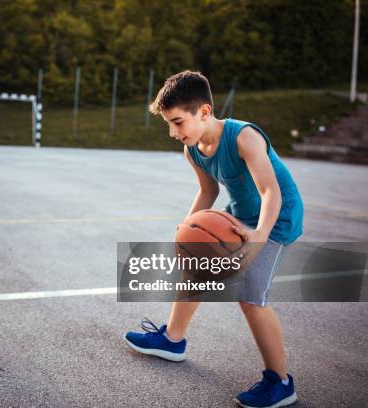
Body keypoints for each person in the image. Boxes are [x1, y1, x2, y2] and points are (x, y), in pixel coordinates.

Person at [124, 71, 303, 408]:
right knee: (195, 263)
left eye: (178, 122)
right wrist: (187, 228)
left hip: (276, 219)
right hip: (239, 213)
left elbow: (270, 192)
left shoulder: (244, 138)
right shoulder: (194, 150)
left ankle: (280, 381)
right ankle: (172, 340)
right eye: (169, 124)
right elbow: (208, 191)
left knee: (250, 297)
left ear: (203, 112)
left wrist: (258, 237)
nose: (173, 132)